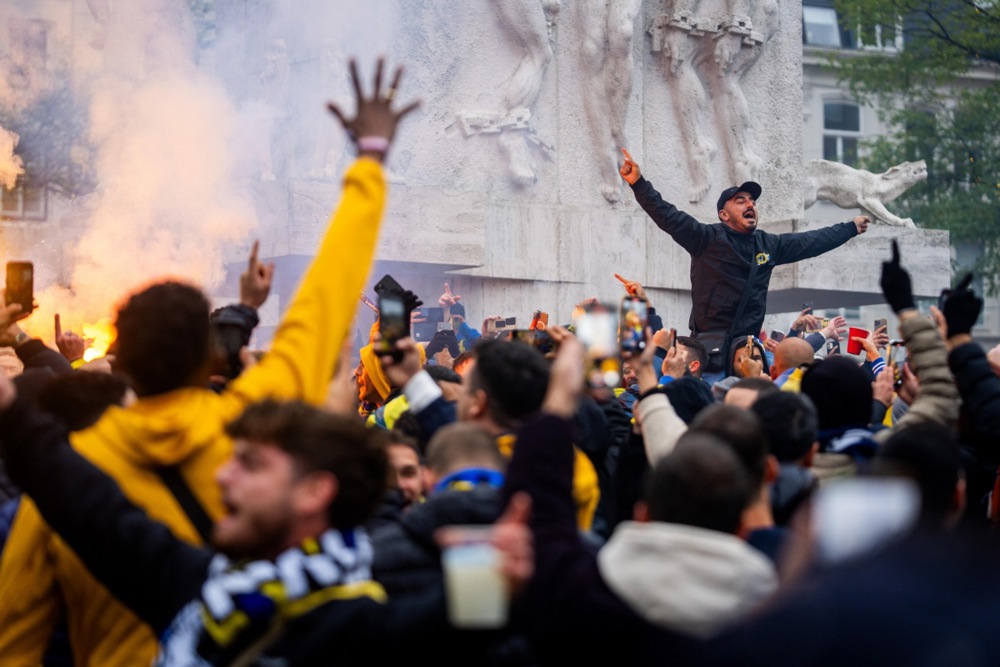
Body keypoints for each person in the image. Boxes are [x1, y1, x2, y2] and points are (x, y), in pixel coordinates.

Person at [0, 57, 417, 666]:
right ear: (210, 358)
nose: (229, 479)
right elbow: (326, 295)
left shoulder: (65, 482)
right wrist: (370, 161)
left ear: (117, 358)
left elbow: (13, 642)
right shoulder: (253, 422)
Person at [619, 148, 869, 380]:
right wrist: (638, 183)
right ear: (724, 215)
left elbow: (811, 241)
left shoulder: (769, 245)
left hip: (748, 354)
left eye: (753, 202)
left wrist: (849, 228)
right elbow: (667, 215)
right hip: (711, 358)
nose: (750, 205)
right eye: (740, 200)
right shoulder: (706, 239)